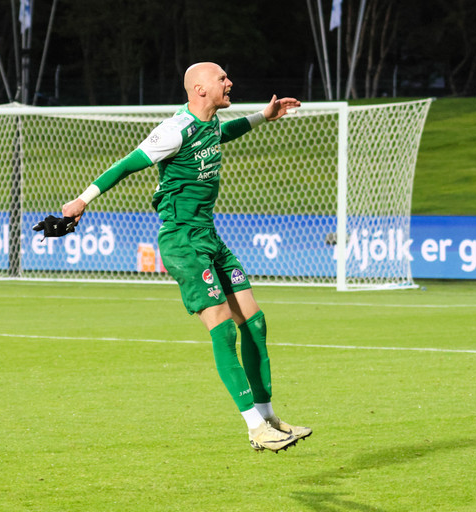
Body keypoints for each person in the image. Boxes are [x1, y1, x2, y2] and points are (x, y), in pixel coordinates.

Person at [62, 62, 312, 453]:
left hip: (208, 236)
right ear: (199, 89)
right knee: (224, 330)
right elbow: (127, 164)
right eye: (222, 78)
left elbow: (224, 132)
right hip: (182, 241)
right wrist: (81, 200)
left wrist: (263, 116)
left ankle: (268, 418)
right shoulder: (174, 130)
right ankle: (254, 428)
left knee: (255, 323)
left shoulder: (209, 122)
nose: (229, 82)